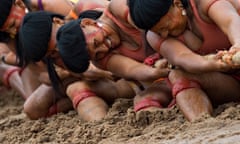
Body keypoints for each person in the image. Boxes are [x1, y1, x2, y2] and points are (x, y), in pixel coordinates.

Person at [127, 0, 240, 121]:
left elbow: (230, 21)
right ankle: (202, 124)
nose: (164, 34)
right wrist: (213, 63)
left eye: (165, 27)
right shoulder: (154, 37)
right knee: (177, 75)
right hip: (228, 83)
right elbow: (183, 57)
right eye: (159, 32)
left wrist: (238, 45)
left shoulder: (204, 3)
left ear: (177, 4)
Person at [18, 11, 136, 121]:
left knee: (76, 89)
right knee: (31, 108)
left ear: (58, 22)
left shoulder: (85, 19)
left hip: (123, 76)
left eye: (56, 45)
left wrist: (75, 73)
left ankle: (100, 123)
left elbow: (106, 72)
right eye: (52, 53)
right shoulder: (55, 55)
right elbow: (44, 78)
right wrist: (67, 73)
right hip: (92, 78)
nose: (58, 50)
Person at [55, 5, 174, 113]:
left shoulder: (119, 9)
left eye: (96, 43)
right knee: (142, 104)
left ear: (88, 23)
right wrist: (156, 72)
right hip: (171, 71)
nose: (104, 48)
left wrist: (170, 57)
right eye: (97, 54)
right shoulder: (101, 60)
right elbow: (133, 69)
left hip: (184, 44)